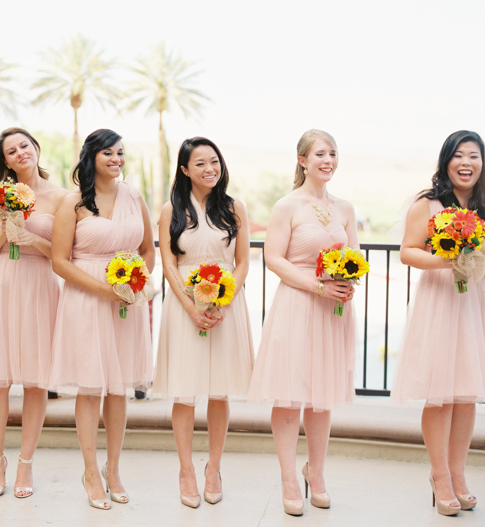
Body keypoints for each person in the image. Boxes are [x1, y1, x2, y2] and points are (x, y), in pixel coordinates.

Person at [248, 129, 357, 516]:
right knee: (290, 395)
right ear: (303, 161)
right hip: (297, 304)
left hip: (332, 311)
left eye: (332, 153)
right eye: (319, 154)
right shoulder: (287, 206)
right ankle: (289, 476)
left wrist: (348, 281)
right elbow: (274, 258)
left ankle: (318, 471)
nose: (327, 160)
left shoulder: (345, 208)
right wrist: (316, 286)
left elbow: (355, 254)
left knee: (322, 397)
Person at [0, 128, 68, 498]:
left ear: (36, 148)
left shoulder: (63, 198)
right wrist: (7, 228)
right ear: (4, 160)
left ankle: (25, 464)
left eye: (25, 145)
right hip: (0, 283)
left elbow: (63, 255)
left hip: (39, 286)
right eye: (11, 150)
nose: (20, 152)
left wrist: (31, 237)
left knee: (35, 380)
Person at [50, 129, 155, 510]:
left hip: (125, 301)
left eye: (120, 153)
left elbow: (146, 249)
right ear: (91, 156)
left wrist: (135, 282)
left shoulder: (134, 196)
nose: (116, 159)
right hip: (87, 299)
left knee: (119, 387)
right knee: (91, 387)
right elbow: (59, 260)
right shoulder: (73, 202)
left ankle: (114, 469)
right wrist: (102, 290)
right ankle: (90, 471)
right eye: (108, 152)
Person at [152, 137, 254, 508]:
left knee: (219, 391)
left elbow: (242, 262)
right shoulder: (170, 210)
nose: (210, 169)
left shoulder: (234, 207)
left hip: (227, 305)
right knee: (184, 390)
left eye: (214, 161)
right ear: (184, 170)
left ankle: (214, 467)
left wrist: (224, 298)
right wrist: (191, 306)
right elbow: (167, 265)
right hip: (184, 306)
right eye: (200, 163)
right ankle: (186, 470)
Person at [392, 130, 485, 516]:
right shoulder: (428, 204)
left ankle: (459, 473)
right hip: (439, 300)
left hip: (474, 302)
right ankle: (439, 475)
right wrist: (448, 260)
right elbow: (407, 252)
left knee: (466, 394)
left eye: (474, 156)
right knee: (440, 393)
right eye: (459, 155)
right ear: (446, 161)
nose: (467, 163)